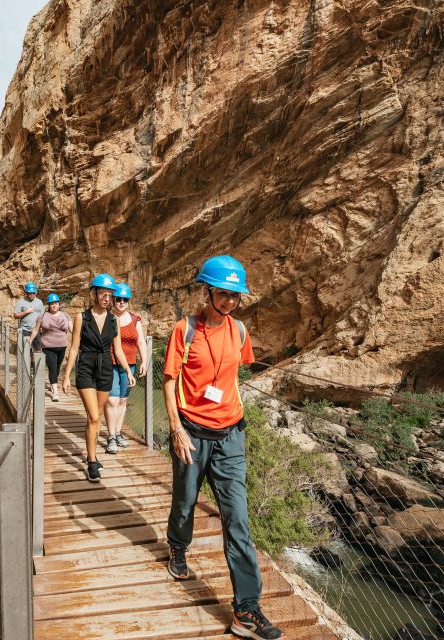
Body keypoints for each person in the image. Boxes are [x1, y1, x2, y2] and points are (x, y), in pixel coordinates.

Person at [162, 255, 282, 640]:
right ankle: (178, 546)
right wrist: (177, 429)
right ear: (207, 291)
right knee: (184, 500)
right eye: (224, 293)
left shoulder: (240, 332)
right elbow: (169, 381)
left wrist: (228, 411)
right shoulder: (185, 330)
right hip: (191, 433)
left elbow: (233, 375)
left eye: (235, 295)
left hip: (231, 434)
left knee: (238, 519)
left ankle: (246, 611)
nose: (230, 301)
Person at [62, 274, 135, 482]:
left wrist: (128, 372)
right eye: (102, 293)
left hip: (105, 370)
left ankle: (90, 453)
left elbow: (118, 350)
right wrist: (67, 376)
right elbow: (74, 348)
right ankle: (92, 461)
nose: (106, 297)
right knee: (93, 416)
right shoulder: (81, 318)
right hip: (85, 368)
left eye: (110, 294)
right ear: (94, 293)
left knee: (97, 417)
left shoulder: (114, 320)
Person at [103, 283, 147, 454]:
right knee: (111, 400)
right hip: (110, 363)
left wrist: (144, 361)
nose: (121, 302)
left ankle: (118, 432)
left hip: (130, 364)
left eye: (125, 299)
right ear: (114, 300)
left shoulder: (135, 319)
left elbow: (141, 341)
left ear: (129, 301)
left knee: (122, 400)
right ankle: (111, 436)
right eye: (118, 299)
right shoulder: (107, 317)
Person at [30, 293, 72, 401]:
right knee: (52, 368)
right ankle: (55, 392)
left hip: (62, 346)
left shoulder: (65, 315)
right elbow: (36, 329)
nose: (54, 305)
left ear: (59, 304)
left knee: (57, 368)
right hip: (48, 346)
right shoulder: (43, 316)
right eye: (51, 304)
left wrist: (81, 339)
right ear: (48, 305)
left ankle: (53, 382)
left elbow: (72, 329)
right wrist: (29, 340)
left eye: (56, 303)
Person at [12, 282, 44, 350]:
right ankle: (27, 360)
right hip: (25, 330)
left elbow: (42, 315)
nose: (32, 294)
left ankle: (33, 361)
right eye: (30, 293)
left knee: (37, 350)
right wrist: (27, 311)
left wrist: (41, 327)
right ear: (26, 292)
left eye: (33, 293)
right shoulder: (21, 302)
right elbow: (16, 315)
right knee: (26, 350)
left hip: (36, 329)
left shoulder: (39, 302)